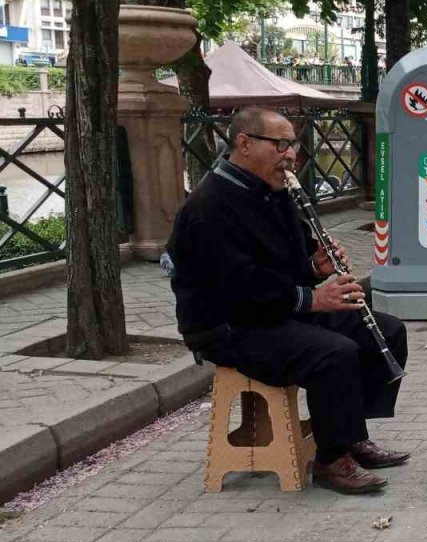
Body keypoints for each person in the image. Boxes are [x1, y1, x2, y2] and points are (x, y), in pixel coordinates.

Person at [167, 107, 411, 495]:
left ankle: (350, 435)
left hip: (273, 310)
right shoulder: (209, 207)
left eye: (293, 144)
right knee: (335, 353)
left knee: (387, 330)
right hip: (228, 325)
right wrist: (313, 299)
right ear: (244, 144)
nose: (291, 153)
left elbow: (287, 268)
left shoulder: (274, 191)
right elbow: (240, 287)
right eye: (280, 144)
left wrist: (315, 268)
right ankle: (331, 461)